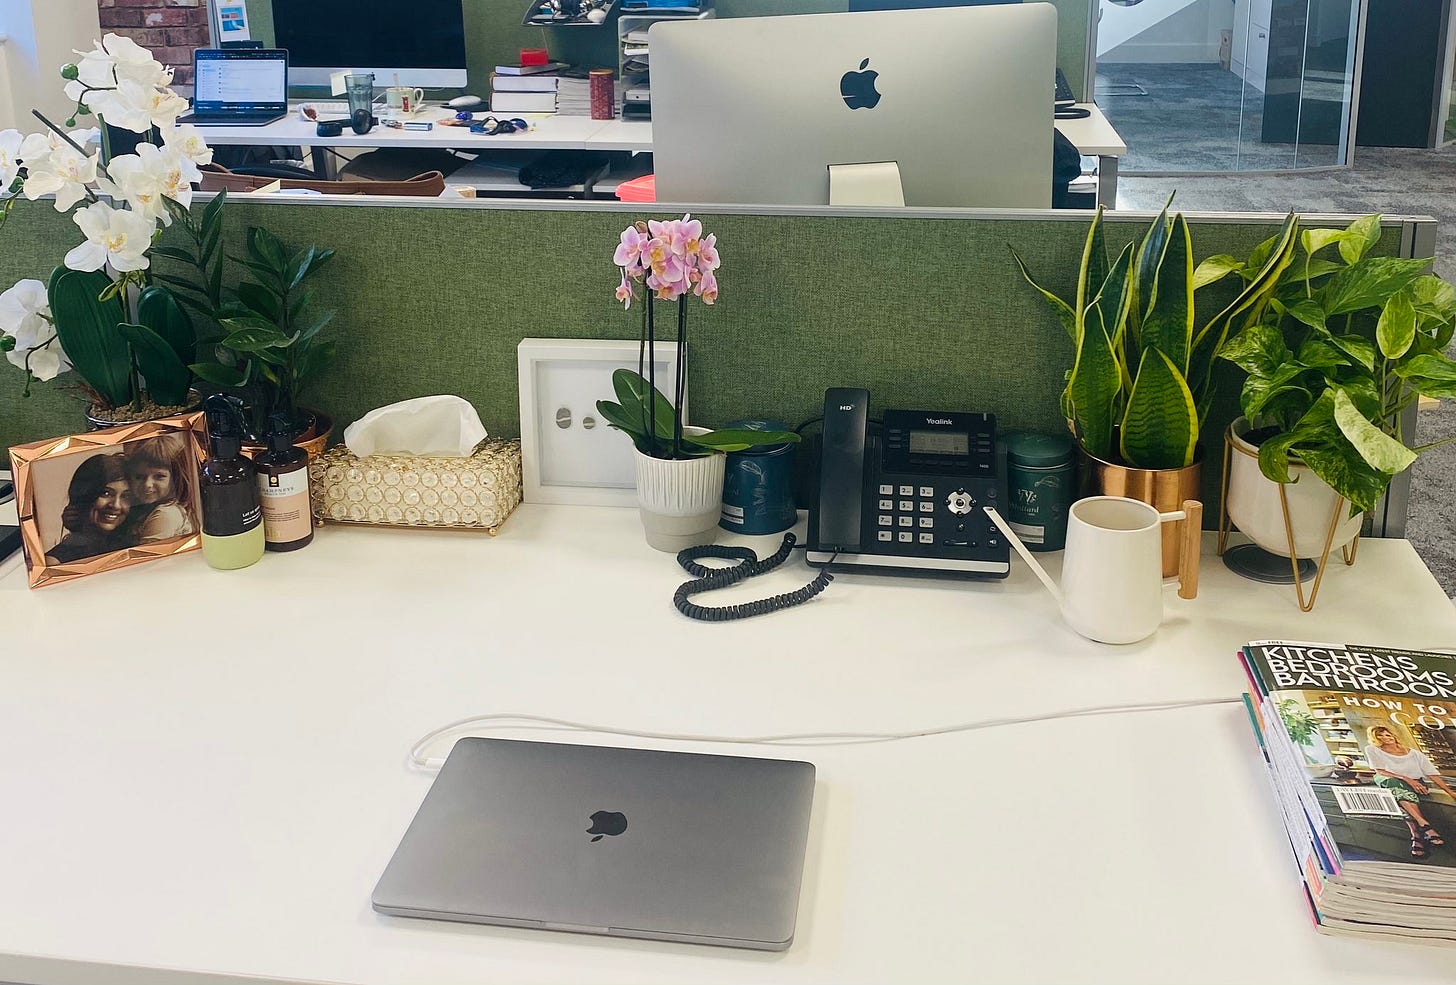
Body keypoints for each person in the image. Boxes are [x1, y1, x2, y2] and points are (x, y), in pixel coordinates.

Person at [1364, 724, 1456, 859]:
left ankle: (1417, 834)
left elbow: (1432, 774)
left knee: (1400, 796)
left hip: (1413, 783)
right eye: (1380, 736)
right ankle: (1424, 825)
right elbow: (1380, 771)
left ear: (1393, 736)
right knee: (1394, 784)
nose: (1386, 737)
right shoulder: (1372, 749)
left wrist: (1449, 791)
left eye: (1388, 734)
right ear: (1375, 739)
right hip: (1388, 779)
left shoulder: (1414, 754)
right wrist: (1406, 778)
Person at [45, 454, 132, 564]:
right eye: (106, 493)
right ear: (83, 496)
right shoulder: (54, 562)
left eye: (126, 496)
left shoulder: (134, 545)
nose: (116, 505)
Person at [123, 434, 196, 542]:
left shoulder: (164, 515)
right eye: (139, 477)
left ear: (176, 478)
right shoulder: (150, 509)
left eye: (159, 476)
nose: (147, 484)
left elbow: (148, 552)